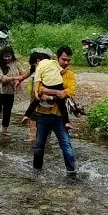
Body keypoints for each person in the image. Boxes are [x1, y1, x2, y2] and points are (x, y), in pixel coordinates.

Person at [32, 45, 78, 179]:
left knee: (66, 146)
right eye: (64, 59)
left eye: (68, 60)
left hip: (59, 116)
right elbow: (38, 89)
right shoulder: (47, 69)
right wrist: (56, 92)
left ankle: (71, 173)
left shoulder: (70, 75)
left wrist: (50, 92)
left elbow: (69, 91)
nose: (66, 63)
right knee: (39, 146)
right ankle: (36, 172)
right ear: (57, 58)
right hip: (43, 114)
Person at [0, 45, 27, 137]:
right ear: (2, 56)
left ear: (12, 55)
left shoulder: (16, 63)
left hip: (10, 91)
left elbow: (23, 74)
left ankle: (4, 130)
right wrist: (14, 77)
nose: (7, 58)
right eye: (5, 56)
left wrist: (18, 80)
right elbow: (1, 78)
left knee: (7, 110)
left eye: (9, 56)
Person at [23, 55, 71, 128]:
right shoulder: (54, 62)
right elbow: (62, 71)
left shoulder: (39, 67)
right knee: (61, 104)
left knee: (35, 101)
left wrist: (36, 92)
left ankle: (26, 115)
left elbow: (37, 80)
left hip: (47, 84)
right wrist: (67, 67)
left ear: (38, 61)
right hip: (58, 83)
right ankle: (66, 122)